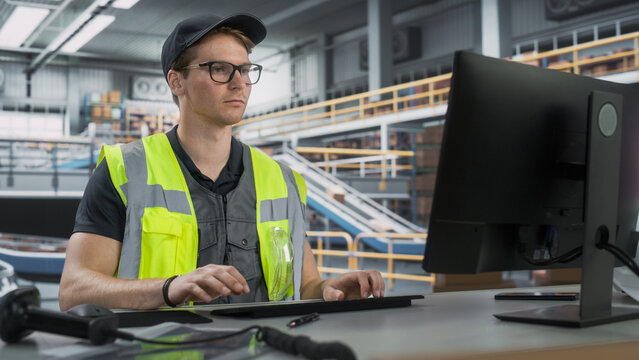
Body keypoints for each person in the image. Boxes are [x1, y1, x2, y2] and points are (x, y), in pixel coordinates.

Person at [59, 13, 385, 310]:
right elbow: (75, 291)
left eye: (244, 69)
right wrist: (168, 288)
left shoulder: (282, 180)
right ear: (177, 81)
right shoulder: (124, 171)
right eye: (219, 69)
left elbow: (304, 285)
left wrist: (329, 289)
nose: (239, 82)